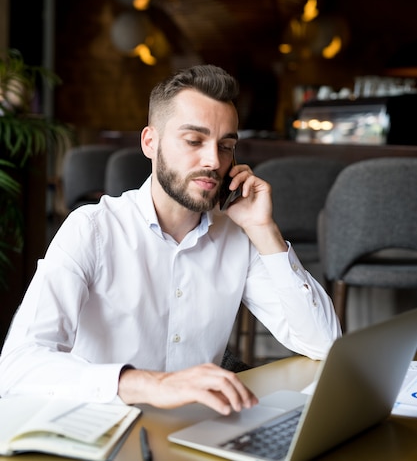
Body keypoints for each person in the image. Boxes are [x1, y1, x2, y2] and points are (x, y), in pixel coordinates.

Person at [0, 64, 341, 415]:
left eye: (225, 146)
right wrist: (153, 384)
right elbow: (18, 365)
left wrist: (264, 230)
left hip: (196, 429)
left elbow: (324, 343)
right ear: (150, 142)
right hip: (103, 425)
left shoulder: (237, 235)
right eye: (194, 141)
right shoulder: (92, 229)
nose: (213, 160)